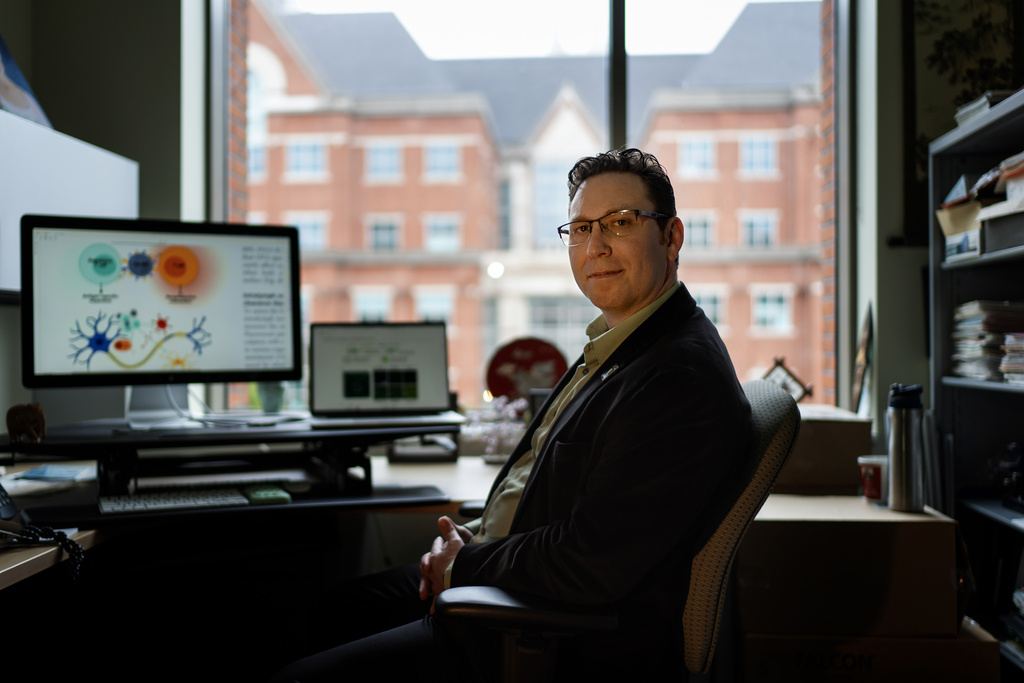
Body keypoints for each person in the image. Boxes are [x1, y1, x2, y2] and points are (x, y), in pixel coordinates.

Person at [270, 148, 751, 682]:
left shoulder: (674, 378)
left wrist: (461, 563)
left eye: (621, 222)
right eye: (581, 228)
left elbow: (592, 560)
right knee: (341, 606)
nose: (596, 246)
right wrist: (470, 538)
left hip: (549, 636)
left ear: (672, 236)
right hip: (508, 568)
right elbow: (551, 488)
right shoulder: (624, 344)